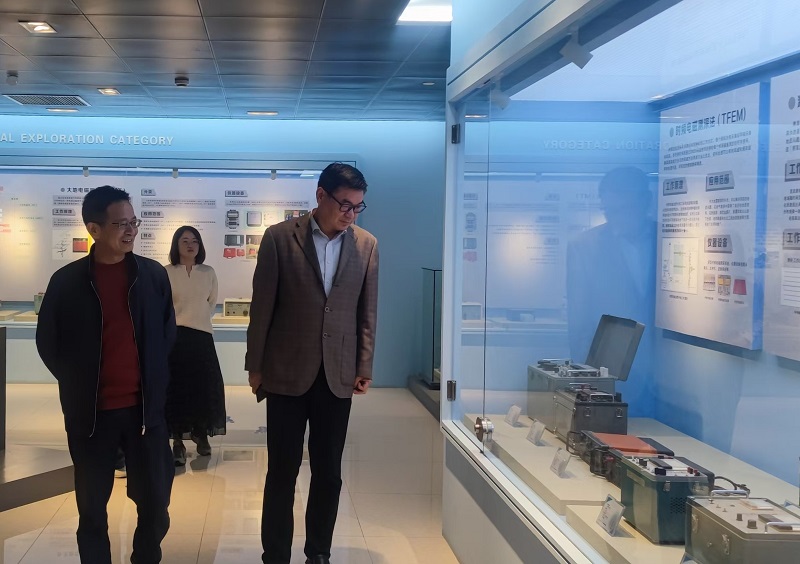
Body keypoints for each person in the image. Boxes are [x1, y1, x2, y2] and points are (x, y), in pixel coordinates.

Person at [246, 162, 379, 564]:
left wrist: (364, 365)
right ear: (321, 195)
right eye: (344, 204)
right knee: (281, 471)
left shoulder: (367, 245)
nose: (350, 213)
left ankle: (318, 551)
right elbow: (262, 307)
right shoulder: (280, 238)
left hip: (337, 374)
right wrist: (255, 365)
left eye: (358, 206)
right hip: (285, 371)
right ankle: (275, 554)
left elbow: (367, 312)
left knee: (328, 472)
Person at [36, 185, 176, 563]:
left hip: (145, 414)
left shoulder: (152, 275)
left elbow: (167, 334)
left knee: (155, 505)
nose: (131, 231)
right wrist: (77, 383)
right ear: (94, 229)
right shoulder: (67, 282)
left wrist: (155, 385)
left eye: (134, 222)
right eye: (121, 224)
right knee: (92, 512)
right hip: (91, 416)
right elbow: (48, 342)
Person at [566, 166, 656, 415]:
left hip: (668, 377)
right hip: (613, 375)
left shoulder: (669, 237)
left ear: (646, 201)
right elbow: (580, 322)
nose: (617, 219)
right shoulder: (584, 247)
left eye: (625, 210)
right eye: (610, 211)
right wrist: (585, 382)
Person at [164, 226, 226, 466]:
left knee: (204, 388)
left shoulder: (208, 272)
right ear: (176, 245)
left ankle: (201, 434)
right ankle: (177, 443)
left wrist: (197, 320)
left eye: (195, 241)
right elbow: (163, 305)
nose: (190, 245)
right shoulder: (166, 272)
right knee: (176, 390)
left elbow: (211, 302)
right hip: (175, 338)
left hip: (201, 337)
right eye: (185, 241)